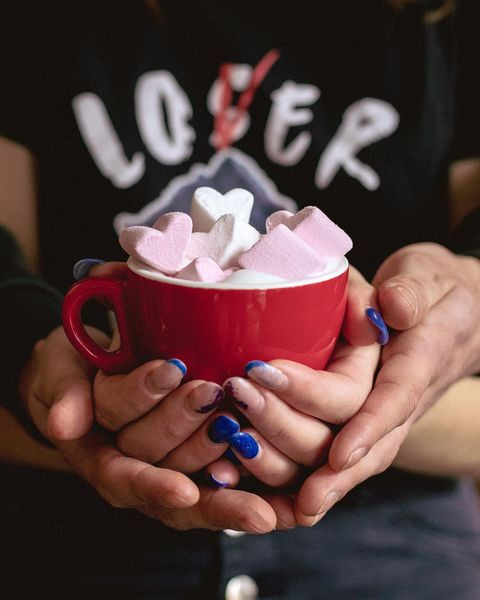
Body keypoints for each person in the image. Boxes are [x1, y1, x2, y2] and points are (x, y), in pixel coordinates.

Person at [1, 0, 480, 598]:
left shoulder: (453, 23)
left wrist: (464, 295)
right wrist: (26, 349)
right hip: (77, 531)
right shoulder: (32, 20)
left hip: (394, 534)